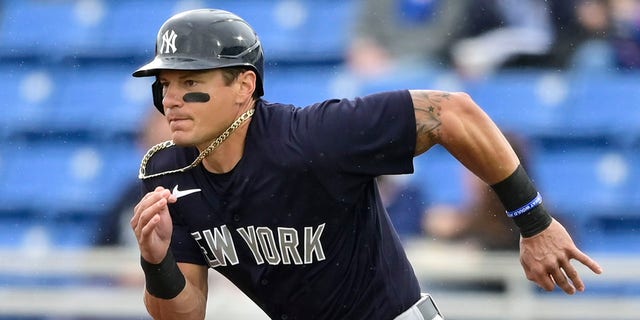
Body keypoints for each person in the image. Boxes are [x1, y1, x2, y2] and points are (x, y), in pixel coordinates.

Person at [130, 9, 603, 320]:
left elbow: (453, 113)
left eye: (190, 80)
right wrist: (156, 261)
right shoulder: (170, 174)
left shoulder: (314, 136)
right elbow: (185, 314)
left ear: (244, 85)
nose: (171, 98)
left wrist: (534, 223)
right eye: (164, 84)